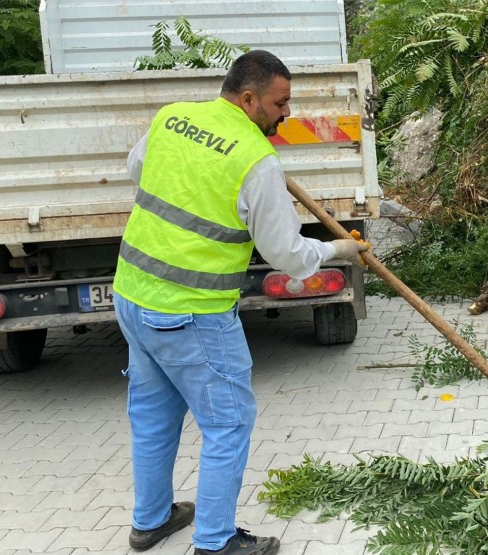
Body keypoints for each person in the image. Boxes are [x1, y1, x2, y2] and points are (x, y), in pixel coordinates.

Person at [112, 50, 367, 555]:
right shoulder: (256, 160)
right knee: (228, 423)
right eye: (280, 103)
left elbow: (136, 170)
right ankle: (215, 540)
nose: (285, 114)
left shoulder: (174, 118)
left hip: (133, 298)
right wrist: (339, 249)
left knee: (152, 413)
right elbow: (288, 256)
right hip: (193, 314)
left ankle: (151, 520)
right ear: (248, 99)